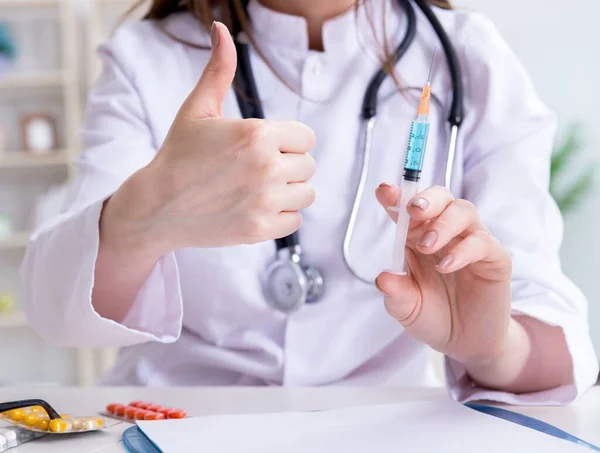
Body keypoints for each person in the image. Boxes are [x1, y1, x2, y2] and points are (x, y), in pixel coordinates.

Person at [21, 0, 598, 404]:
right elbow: (57, 312)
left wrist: (492, 345)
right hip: (172, 418)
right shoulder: (148, 55)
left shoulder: (468, 57)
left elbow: (552, 331)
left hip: (381, 426)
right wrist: (138, 218)